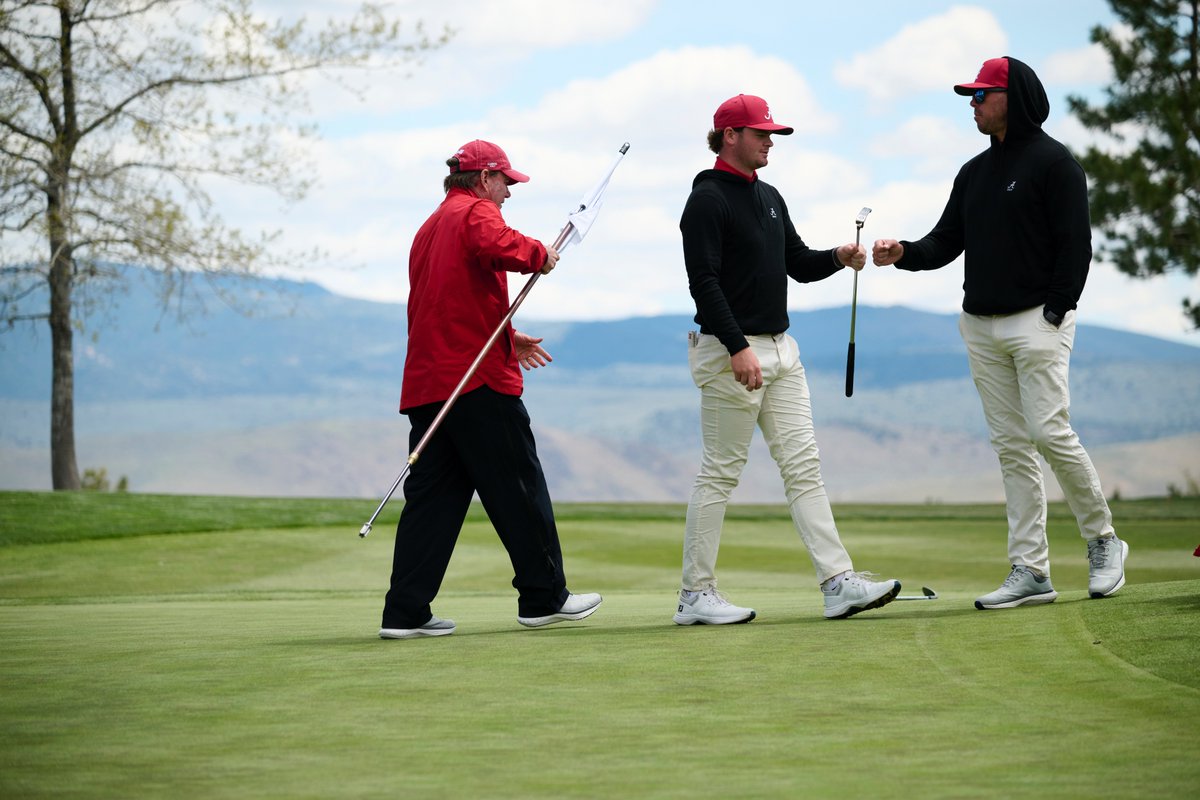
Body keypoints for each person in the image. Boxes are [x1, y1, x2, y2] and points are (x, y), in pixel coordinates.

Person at [871, 57, 1128, 609]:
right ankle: (1030, 569)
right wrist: (904, 252)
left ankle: (1104, 540)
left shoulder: (1056, 164)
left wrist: (1055, 312)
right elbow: (945, 242)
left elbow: (1076, 247)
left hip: (1039, 320)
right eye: (971, 96)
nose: (973, 104)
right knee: (1011, 447)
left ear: (1014, 97)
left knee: (1049, 432)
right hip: (981, 327)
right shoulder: (974, 172)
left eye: (982, 95)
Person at [675, 94, 901, 624]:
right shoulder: (707, 200)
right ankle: (695, 594)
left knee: (804, 466)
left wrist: (837, 257)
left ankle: (837, 582)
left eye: (771, 134)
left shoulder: (770, 195)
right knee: (720, 473)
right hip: (729, 352)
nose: (770, 142)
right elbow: (703, 283)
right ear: (730, 135)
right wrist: (737, 346)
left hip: (781, 350)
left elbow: (796, 263)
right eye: (761, 134)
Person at [379, 139, 602, 639]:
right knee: (519, 488)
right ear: (484, 178)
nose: (508, 192)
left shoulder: (430, 226)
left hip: (431, 386)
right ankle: (545, 598)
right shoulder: (474, 211)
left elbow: (449, 304)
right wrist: (540, 254)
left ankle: (405, 611)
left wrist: (506, 336)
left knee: (433, 503)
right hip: (476, 383)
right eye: (506, 182)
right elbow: (500, 246)